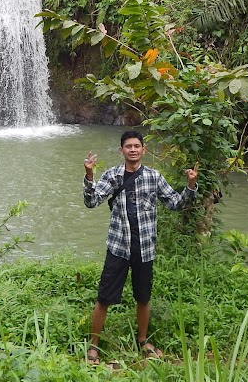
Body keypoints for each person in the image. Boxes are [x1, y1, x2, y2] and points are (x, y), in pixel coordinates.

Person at [83, 130, 198, 364]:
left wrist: (191, 184)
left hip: (144, 247)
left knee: (143, 297)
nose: (133, 149)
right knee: (104, 297)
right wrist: (89, 175)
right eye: (128, 146)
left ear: (143, 150)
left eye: (137, 146)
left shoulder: (154, 177)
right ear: (121, 151)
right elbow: (91, 201)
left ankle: (143, 340)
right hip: (118, 246)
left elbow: (176, 203)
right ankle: (93, 346)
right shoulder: (113, 175)